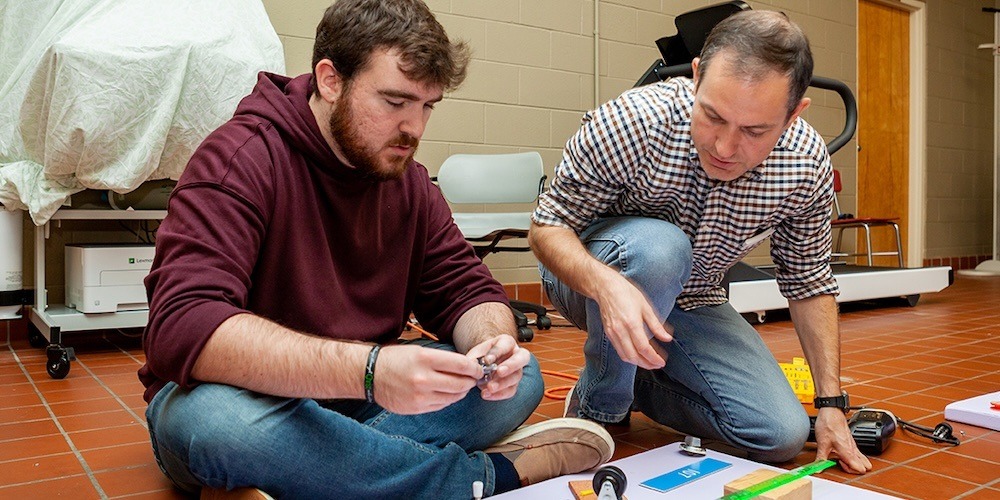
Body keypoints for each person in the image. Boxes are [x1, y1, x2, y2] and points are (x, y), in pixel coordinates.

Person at [138, 0, 613, 497]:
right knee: (217, 426)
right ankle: (482, 477)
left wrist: (491, 346)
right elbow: (182, 325)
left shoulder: (408, 184)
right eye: (394, 102)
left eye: (427, 105)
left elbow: (466, 289)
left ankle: (312, 475)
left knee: (524, 375)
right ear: (330, 80)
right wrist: (368, 372)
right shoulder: (239, 159)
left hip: (363, 399)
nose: (415, 128)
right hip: (247, 400)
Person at [529, 10, 872, 474]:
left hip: (693, 296)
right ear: (695, 76)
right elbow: (548, 226)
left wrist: (831, 404)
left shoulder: (806, 166)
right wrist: (608, 287)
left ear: (795, 113)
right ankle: (599, 409)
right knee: (660, 248)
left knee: (779, 435)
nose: (725, 148)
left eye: (754, 131)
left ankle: (632, 383)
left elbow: (809, 283)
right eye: (712, 115)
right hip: (587, 276)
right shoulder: (634, 121)